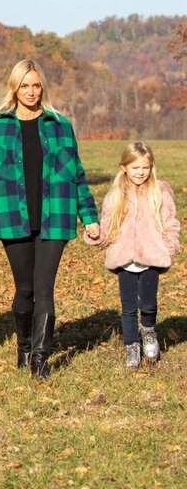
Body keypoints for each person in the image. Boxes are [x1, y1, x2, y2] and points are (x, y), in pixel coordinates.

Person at [0, 58, 99, 379]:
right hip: (13, 216)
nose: (31, 92)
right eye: (24, 86)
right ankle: (24, 345)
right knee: (24, 290)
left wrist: (89, 215)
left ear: (43, 87)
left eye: (36, 85)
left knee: (44, 289)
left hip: (55, 216)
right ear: (15, 88)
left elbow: (77, 174)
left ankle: (39, 361)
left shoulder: (60, 125)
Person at [83, 142, 180, 368]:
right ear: (124, 167)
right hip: (124, 259)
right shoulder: (116, 195)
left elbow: (170, 224)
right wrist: (96, 234)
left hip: (151, 259)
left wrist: (167, 247)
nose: (140, 172)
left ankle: (147, 331)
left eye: (145, 167)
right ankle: (131, 345)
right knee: (128, 307)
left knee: (148, 303)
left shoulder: (160, 192)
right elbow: (108, 226)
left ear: (151, 167)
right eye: (135, 167)